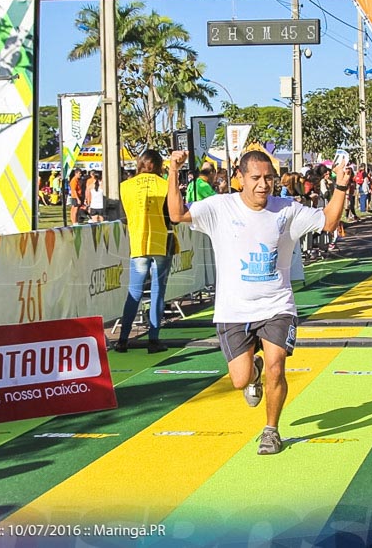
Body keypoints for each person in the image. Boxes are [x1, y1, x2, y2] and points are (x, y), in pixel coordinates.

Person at [166, 148, 351, 455]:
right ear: (239, 178)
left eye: (269, 178)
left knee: (277, 369)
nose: (263, 184)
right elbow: (176, 214)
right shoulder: (219, 207)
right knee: (239, 380)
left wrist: (342, 187)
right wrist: (174, 170)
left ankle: (271, 430)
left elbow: (328, 222)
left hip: (277, 306)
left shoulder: (287, 209)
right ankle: (253, 371)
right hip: (233, 309)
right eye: (255, 178)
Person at [115, 151, 176, 354]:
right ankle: (153, 339)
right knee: (158, 292)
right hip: (161, 241)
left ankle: (123, 339)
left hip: (138, 242)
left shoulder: (126, 186)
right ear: (159, 165)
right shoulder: (165, 184)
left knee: (135, 292)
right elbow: (173, 216)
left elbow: (125, 215)